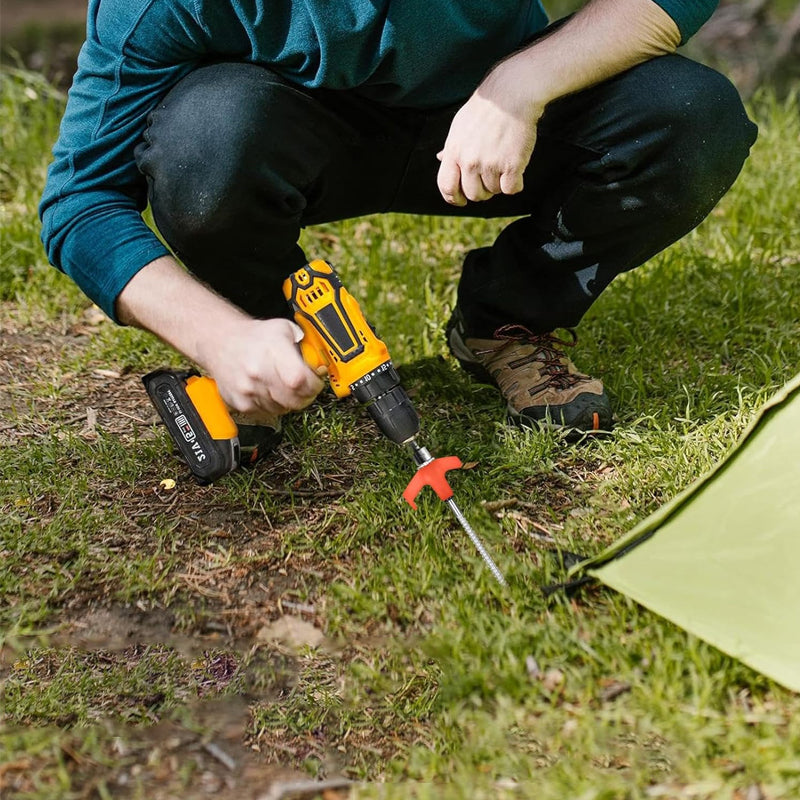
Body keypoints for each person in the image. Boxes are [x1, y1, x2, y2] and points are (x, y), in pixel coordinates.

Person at [40, 0, 757, 446]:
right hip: (288, 133)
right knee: (205, 141)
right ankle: (272, 336)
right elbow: (80, 202)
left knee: (691, 116)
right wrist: (219, 333)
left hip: (492, 119)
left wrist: (521, 87)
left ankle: (506, 320)